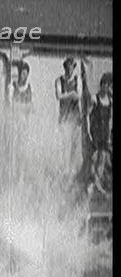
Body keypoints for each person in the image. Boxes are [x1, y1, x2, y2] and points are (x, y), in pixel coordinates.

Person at [55, 57, 83, 185]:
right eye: (67, 67)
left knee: (74, 145)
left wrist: (70, 94)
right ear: (65, 67)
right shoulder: (59, 80)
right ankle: (64, 171)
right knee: (64, 144)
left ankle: (72, 172)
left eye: (72, 67)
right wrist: (70, 94)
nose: (69, 69)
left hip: (75, 117)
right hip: (64, 117)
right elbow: (58, 96)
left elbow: (78, 95)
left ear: (74, 67)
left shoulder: (78, 80)